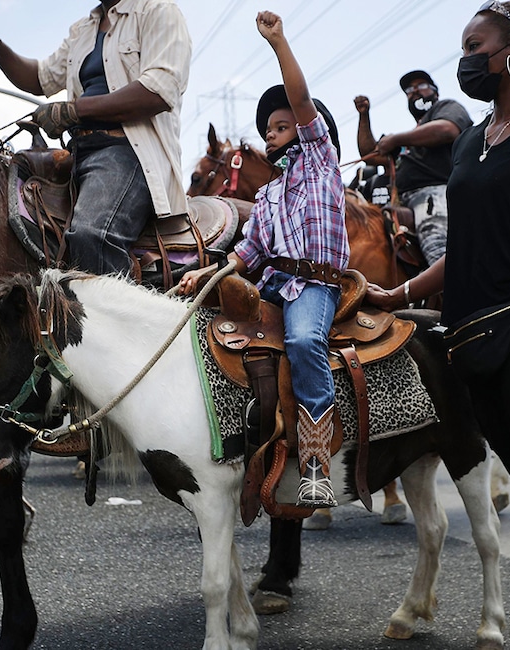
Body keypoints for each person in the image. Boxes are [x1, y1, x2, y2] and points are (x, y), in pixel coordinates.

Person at [367, 3, 510, 649]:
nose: (466, 59)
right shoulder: (473, 139)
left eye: (476, 45)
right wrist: (398, 293)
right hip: (470, 341)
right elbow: (463, 244)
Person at [178, 11, 348, 509]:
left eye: (281, 125)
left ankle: (316, 459)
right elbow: (249, 251)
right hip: (274, 283)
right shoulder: (270, 193)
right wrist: (207, 274)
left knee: (301, 338)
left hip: (314, 285)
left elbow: (299, 98)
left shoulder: (322, 163)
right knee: (217, 327)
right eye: (267, 128)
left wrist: (279, 44)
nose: (270, 133)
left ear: (307, 128)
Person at [0, 0, 191, 276]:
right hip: (80, 152)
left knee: (91, 235)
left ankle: (113, 318)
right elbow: (40, 78)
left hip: (128, 151)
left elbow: (158, 92)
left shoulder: (158, 11)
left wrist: (74, 110)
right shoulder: (84, 29)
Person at [354, 70, 472, 266]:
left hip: (436, 196)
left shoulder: (447, 107)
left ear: (435, 92)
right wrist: (364, 116)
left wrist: (396, 139)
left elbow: (447, 130)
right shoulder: (409, 141)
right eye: (410, 89)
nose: (415, 91)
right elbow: (370, 156)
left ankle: (455, 290)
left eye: (421, 86)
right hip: (402, 203)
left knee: (436, 248)